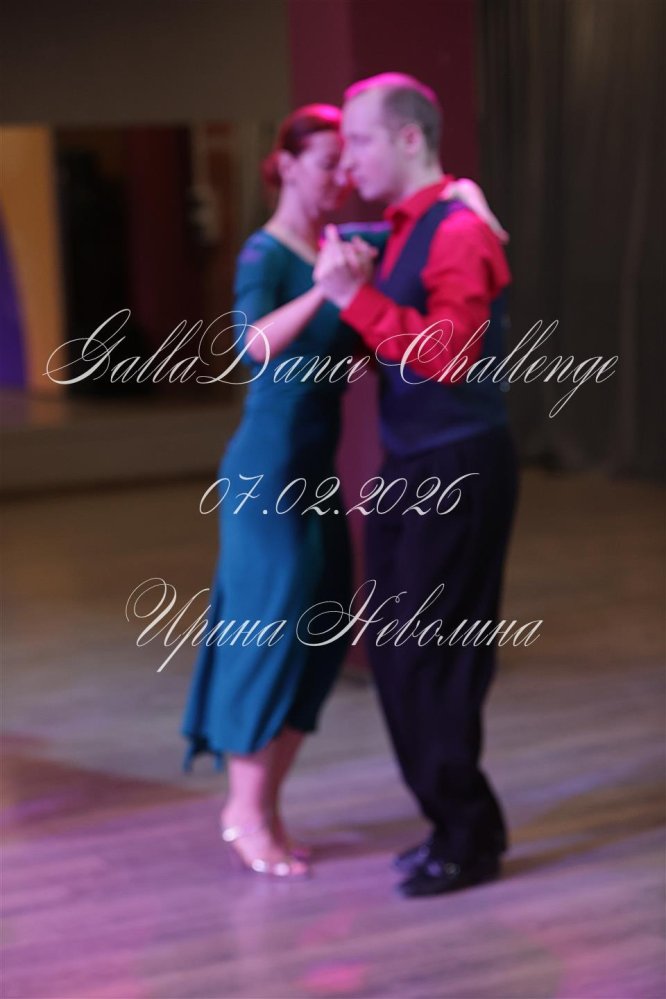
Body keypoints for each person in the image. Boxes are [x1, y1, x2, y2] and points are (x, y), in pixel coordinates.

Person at [181, 101, 508, 881]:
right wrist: (327, 293)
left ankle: (268, 805)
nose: (344, 173)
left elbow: (437, 224)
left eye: (349, 156)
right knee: (265, 630)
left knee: (321, 635)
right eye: (329, 160)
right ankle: (243, 811)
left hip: (317, 471)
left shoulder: (349, 245)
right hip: (267, 469)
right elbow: (251, 344)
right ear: (288, 165)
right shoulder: (268, 252)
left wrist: (468, 195)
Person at [314, 73, 518, 897]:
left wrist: (355, 299)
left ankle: (468, 835)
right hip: (413, 462)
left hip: (457, 464)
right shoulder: (407, 227)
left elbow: (448, 354)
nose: (347, 160)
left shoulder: (459, 230)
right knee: (399, 652)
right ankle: (452, 821)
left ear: (408, 138)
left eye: (360, 140)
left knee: (434, 655)